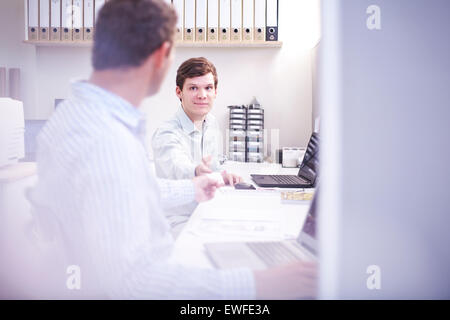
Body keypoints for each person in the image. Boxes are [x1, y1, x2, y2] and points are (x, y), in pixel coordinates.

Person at [29, 0, 317, 299]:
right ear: (162, 55)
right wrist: (259, 285)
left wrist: (192, 188)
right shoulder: (106, 139)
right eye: (193, 87)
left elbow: (126, 190)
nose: (202, 95)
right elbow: (134, 283)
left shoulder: (75, 115)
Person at [152, 57, 241, 185]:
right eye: (193, 88)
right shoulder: (166, 133)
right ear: (179, 92)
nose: (202, 95)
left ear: (215, 92)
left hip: (209, 201)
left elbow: (213, 166)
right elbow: (176, 166)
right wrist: (196, 171)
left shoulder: (211, 123)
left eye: (208, 88)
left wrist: (224, 175)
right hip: (181, 204)